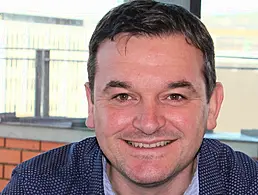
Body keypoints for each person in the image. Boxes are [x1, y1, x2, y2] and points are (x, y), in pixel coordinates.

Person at [2, 0, 258, 194]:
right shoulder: (36, 185)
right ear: (92, 105)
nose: (148, 124)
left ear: (212, 106)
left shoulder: (249, 186)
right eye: (123, 96)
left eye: (175, 96)